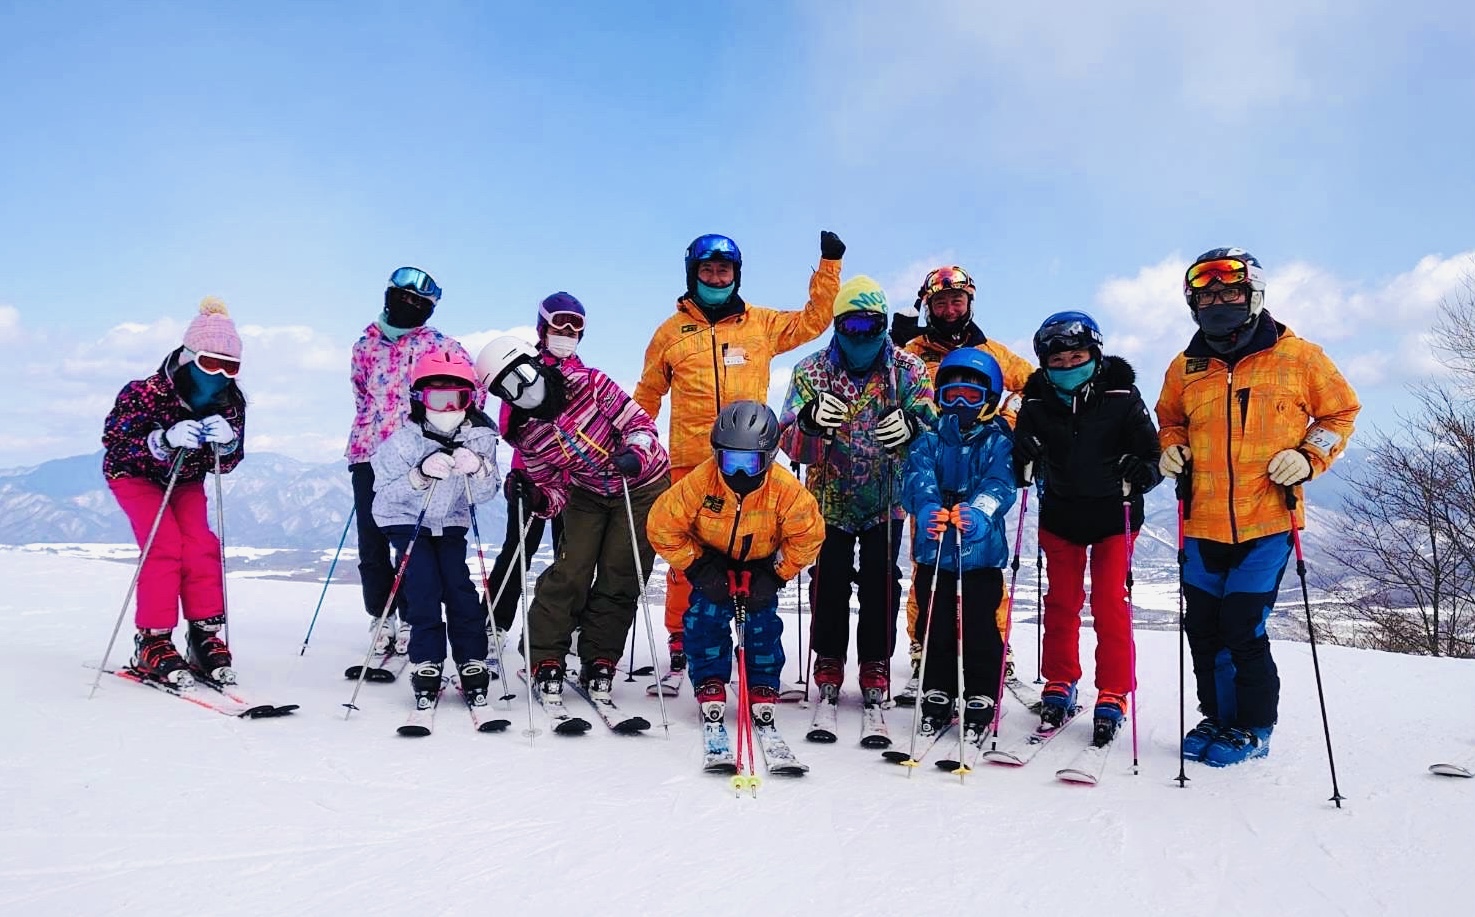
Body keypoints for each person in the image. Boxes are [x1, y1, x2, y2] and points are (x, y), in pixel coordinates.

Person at [1156, 247, 1360, 767]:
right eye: (1207, 296)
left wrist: (1309, 455)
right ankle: (1218, 716)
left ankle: (1253, 726)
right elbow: (1170, 420)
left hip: (1267, 519)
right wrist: (1171, 447)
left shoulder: (1300, 357)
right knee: (1203, 629)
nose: (1218, 302)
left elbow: (1340, 413)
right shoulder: (1185, 366)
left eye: (1230, 292)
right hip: (1201, 520)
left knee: (1242, 627)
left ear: (1253, 296)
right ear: (1193, 303)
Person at [635, 231, 844, 679]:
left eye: (724, 270)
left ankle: (750, 637)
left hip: (751, 459)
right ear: (693, 274)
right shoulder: (669, 333)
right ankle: (682, 638)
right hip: (692, 460)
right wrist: (634, 439)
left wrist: (829, 266)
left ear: (736, 275)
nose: (716, 278)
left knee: (751, 550)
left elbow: (813, 321)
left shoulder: (760, 324)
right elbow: (648, 393)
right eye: (708, 270)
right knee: (688, 561)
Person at [474, 329, 672, 709]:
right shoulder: (527, 434)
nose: (521, 390)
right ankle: (545, 655)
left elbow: (640, 425)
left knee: (621, 573)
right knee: (571, 569)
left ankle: (600, 657)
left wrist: (635, 454)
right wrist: (535, 496)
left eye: (522, 376)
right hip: (587, 491)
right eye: (508, 389)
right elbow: (554, 493)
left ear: (535, 364)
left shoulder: (590, 384)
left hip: (641, 483)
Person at [778, 275, 935, 708]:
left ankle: (875, 661)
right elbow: (790, 444)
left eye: (871, 324)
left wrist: (912, 429)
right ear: (837, 325)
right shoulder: (811, 371)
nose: (861, 335)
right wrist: (809, 423)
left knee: (881, 580)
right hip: (828, 500)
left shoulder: (908, 370)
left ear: (884, 324)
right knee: (827, 579)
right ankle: (828, 657)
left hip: (886, 498)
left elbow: (934, 435)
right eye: (852, 325)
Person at [1013, 311, 1162, 746]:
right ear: (1044, 364)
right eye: (1057, 361)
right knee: (1061, 603)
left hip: (1115, 515)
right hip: (1061, 515)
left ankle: (1114, 690)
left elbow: (1152, 456)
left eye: (1076, 357)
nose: (1067, 366)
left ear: (1094, 355)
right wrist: (1022, 453)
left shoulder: (1122, 396)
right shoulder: (1035, 402)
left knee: (1109, 602)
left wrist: (1143, 471)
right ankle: (1060, 680)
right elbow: (1020, 467)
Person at [895, 265, 1035, 700]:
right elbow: (889, 388)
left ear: (969, 302)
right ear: (928, 307)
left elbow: (1035, 385)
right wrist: (891, 346)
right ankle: (923, 647)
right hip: (930, 463)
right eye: (940, 302)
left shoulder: (991, 352)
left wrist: (1008, 420)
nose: (950, 309)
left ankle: (995, 647)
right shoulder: (912, 352)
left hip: (981, 461)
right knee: (927, 562)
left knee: (983, 567)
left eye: (957, 301)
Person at [646, 401, 825, 730]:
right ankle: (709, 680)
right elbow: (661, 525)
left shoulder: (785, 490)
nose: (739, 473)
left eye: (750, 462)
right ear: (716, 455)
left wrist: (776, 574)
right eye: (730, 461)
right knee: (704, 621)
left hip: (761, 566)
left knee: (762, 625)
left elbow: (808, 536)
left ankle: (763, 683)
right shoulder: (702, 482)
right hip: (712, 562)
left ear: (769, 457)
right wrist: (697, 565)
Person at [103, 297, 246, 686]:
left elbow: (227, 464)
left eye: (230, 366)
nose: (220, 374)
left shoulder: (230, 403)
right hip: (134, 476)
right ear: (188, 356)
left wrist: (227, 444)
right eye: (210, 363)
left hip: (185, 479)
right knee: (163, 543)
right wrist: (162, 440)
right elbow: (116, 444)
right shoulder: (144, 392)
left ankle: (203, 636)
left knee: (200, 544)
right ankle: (153, 640)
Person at [346, 267, 481, 656]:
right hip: (369, 453)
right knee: (371, 540)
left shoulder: (441, 347)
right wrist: (367, 432)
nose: (409, 305)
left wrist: (449, 436)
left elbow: (472, 392)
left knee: (409, 539)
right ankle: (381, 615)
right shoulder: (364, 346)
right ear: (389, 295)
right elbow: (361, 395)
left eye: (419, 302)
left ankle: (410, 616)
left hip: (418, 457)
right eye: (402, 297)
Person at [370, 351, 500, 708]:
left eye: (459, 399)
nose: (448, 409)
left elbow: (487, 493)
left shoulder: (480, 438)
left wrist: (479, 468)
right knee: (423, 584)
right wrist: (419, 474)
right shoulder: (403, 442)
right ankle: (427, 659)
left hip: (450, 521)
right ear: (419, 399)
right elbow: (382, 495)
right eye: (438, 399)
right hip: (406, 519)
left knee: (459, 587)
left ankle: (471, 658)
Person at [900, 349, 1016, 735]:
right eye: (952, 396)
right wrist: (927, 508)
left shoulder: (997, 443)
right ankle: (938, 687)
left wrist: (980, 513)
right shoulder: (928, 441)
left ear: (990, 400)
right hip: (935, 555)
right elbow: (916, 480)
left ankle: (982, 691)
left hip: (980, 557)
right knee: (934, 624)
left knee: (980, 625)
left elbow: (1000, 484)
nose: (961, 404)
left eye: (971, 396)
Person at [482, 294, 584, 667]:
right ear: (543, 328)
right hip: (530, 476)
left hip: (573, 481)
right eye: (560, 327)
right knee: (518, 550)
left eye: (574, 329)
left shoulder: (584, 374)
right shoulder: (524, 367)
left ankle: (569, 628)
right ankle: (493, 625)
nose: (567, 335)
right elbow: (508, 423)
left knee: (570, 556)